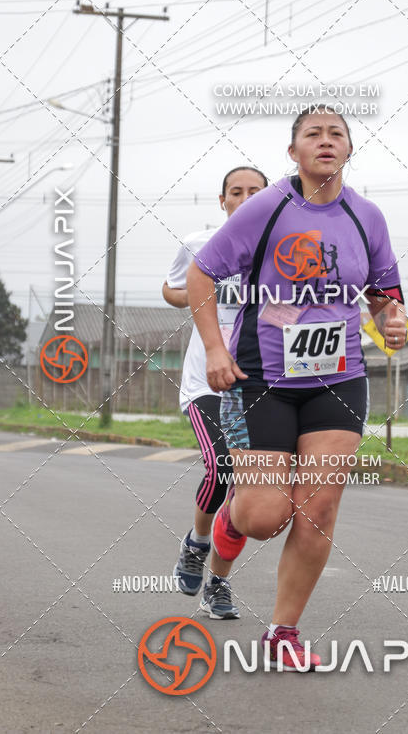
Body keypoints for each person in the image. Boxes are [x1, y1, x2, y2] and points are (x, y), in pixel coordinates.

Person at [187, 105, 407, 668]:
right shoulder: (266, 207)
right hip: (260, 377)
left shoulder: (367, 217)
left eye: (337, 134)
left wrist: (392, 319)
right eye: (313, 134)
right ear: (294, 152)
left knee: (319, 508)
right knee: (264, 516)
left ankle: (283, 633)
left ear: (349, 149)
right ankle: (231, 517)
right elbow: (202, 272)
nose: (326, 141)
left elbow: (384, 293)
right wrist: (215, 349)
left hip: (339, 378)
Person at [163, 165, 267, 618]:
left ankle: (218, 585)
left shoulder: (283, 250)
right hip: (204, 380)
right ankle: (196, 543)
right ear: (222, 201)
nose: (244, 199)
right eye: (236, 192)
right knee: (221, 466)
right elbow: (171, 289)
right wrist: (199, 292)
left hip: (258, 381)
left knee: (248, 488)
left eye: (255, 192)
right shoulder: (199, 243)